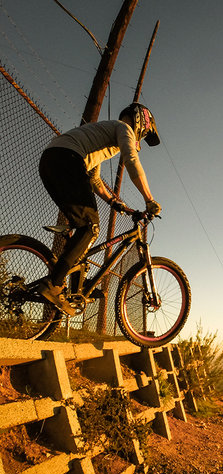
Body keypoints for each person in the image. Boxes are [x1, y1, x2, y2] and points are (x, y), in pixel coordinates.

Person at [38, 102, 161, 316]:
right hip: (67, 159)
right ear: (142, 122)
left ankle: (77, 289)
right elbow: (132, 160)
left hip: (52, 160)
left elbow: (94, 179)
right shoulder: (124, 129)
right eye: (144, 133)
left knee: (84, 228)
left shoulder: (103, 137)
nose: (140, 138)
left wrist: (115, 203)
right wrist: (149, 199)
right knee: (90, 226)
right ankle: (53, 285)